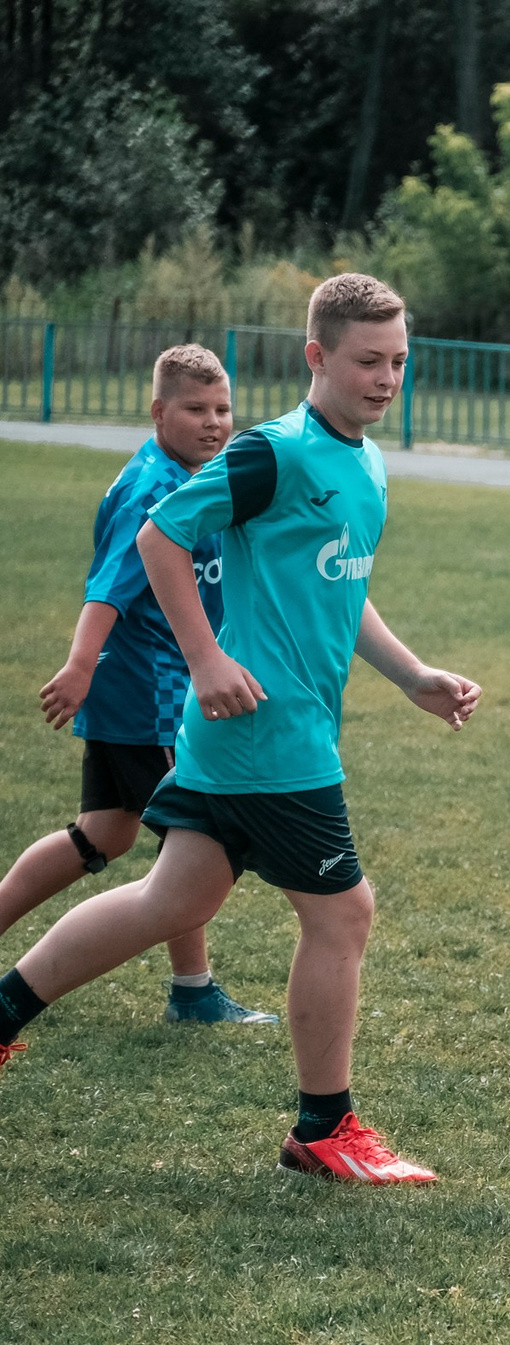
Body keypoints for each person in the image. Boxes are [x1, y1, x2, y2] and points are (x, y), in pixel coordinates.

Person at [0, 275, 481, 1189]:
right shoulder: (275, 454)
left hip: (259, 734)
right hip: (270, 732)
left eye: (400, 361)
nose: (388, 379)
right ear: (316, 358)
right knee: (344, 911)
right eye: (368, 361)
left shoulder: (365, 461)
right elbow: (159, 536)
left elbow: (340, 585)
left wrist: (412, 673)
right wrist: (208, 657)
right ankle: (323, 1127)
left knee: (168, 902)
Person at [0, 344, 275, 1027]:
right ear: (158, 411)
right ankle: (192, 991)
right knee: (195, 836)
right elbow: (107, 590)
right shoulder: (153, 489)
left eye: (223, 410)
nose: (214, 423)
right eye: (195, 409)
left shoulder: (186, 475)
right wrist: (80, 664)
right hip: (146, 696)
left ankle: (191, 990)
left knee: (103, 834)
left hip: (140, 691)